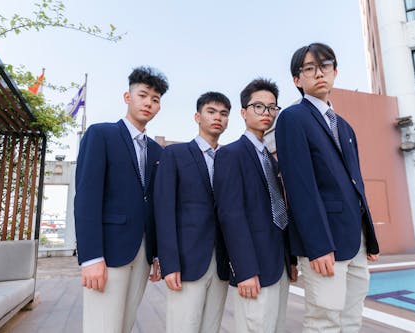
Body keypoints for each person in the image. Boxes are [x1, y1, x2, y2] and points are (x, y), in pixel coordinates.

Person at [275, 43, 380, 333]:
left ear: (335, 72)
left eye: (325, 66)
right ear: (298, 80)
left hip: (355, 239)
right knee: (324, 322)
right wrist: (317, 245)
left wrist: (369, 236)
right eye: (309, 68)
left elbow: (356, 184)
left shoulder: (344, 126)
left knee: (351, 319)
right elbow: (299, 186)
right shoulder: (292, 118)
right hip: (324, 244)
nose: (319, 73)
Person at [74, 66, 168, 333]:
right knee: (101, 326)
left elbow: (153, 202)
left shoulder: (155, 150)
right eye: (143, 95)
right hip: (109, 251)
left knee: (123, 326)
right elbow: (87, 197)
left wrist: (157, 253)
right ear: (128, 98)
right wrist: (91, 257)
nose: (148, 103)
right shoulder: (101, 134)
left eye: (155, 99)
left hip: (143, 253)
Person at [213, 78, 297, 333]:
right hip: (254, 268)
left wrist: (290, 259)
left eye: (272, 107)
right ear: (243, 111)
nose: (267, 113)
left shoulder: (271, 161)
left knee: (276, 327)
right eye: (259, 106)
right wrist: (244, 269)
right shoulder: (230, 154)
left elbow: (279, 207)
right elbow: (231, 215)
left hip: (279, 264)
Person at [154, 92, 231, 333]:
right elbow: (164, 210)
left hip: (220, 264)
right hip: (186, 263)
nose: (217, 117)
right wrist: (169, 263)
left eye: (223, 113)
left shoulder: (230, 159)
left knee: (212, 328)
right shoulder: (175, 155)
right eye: (211, 111)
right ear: (197, 116)